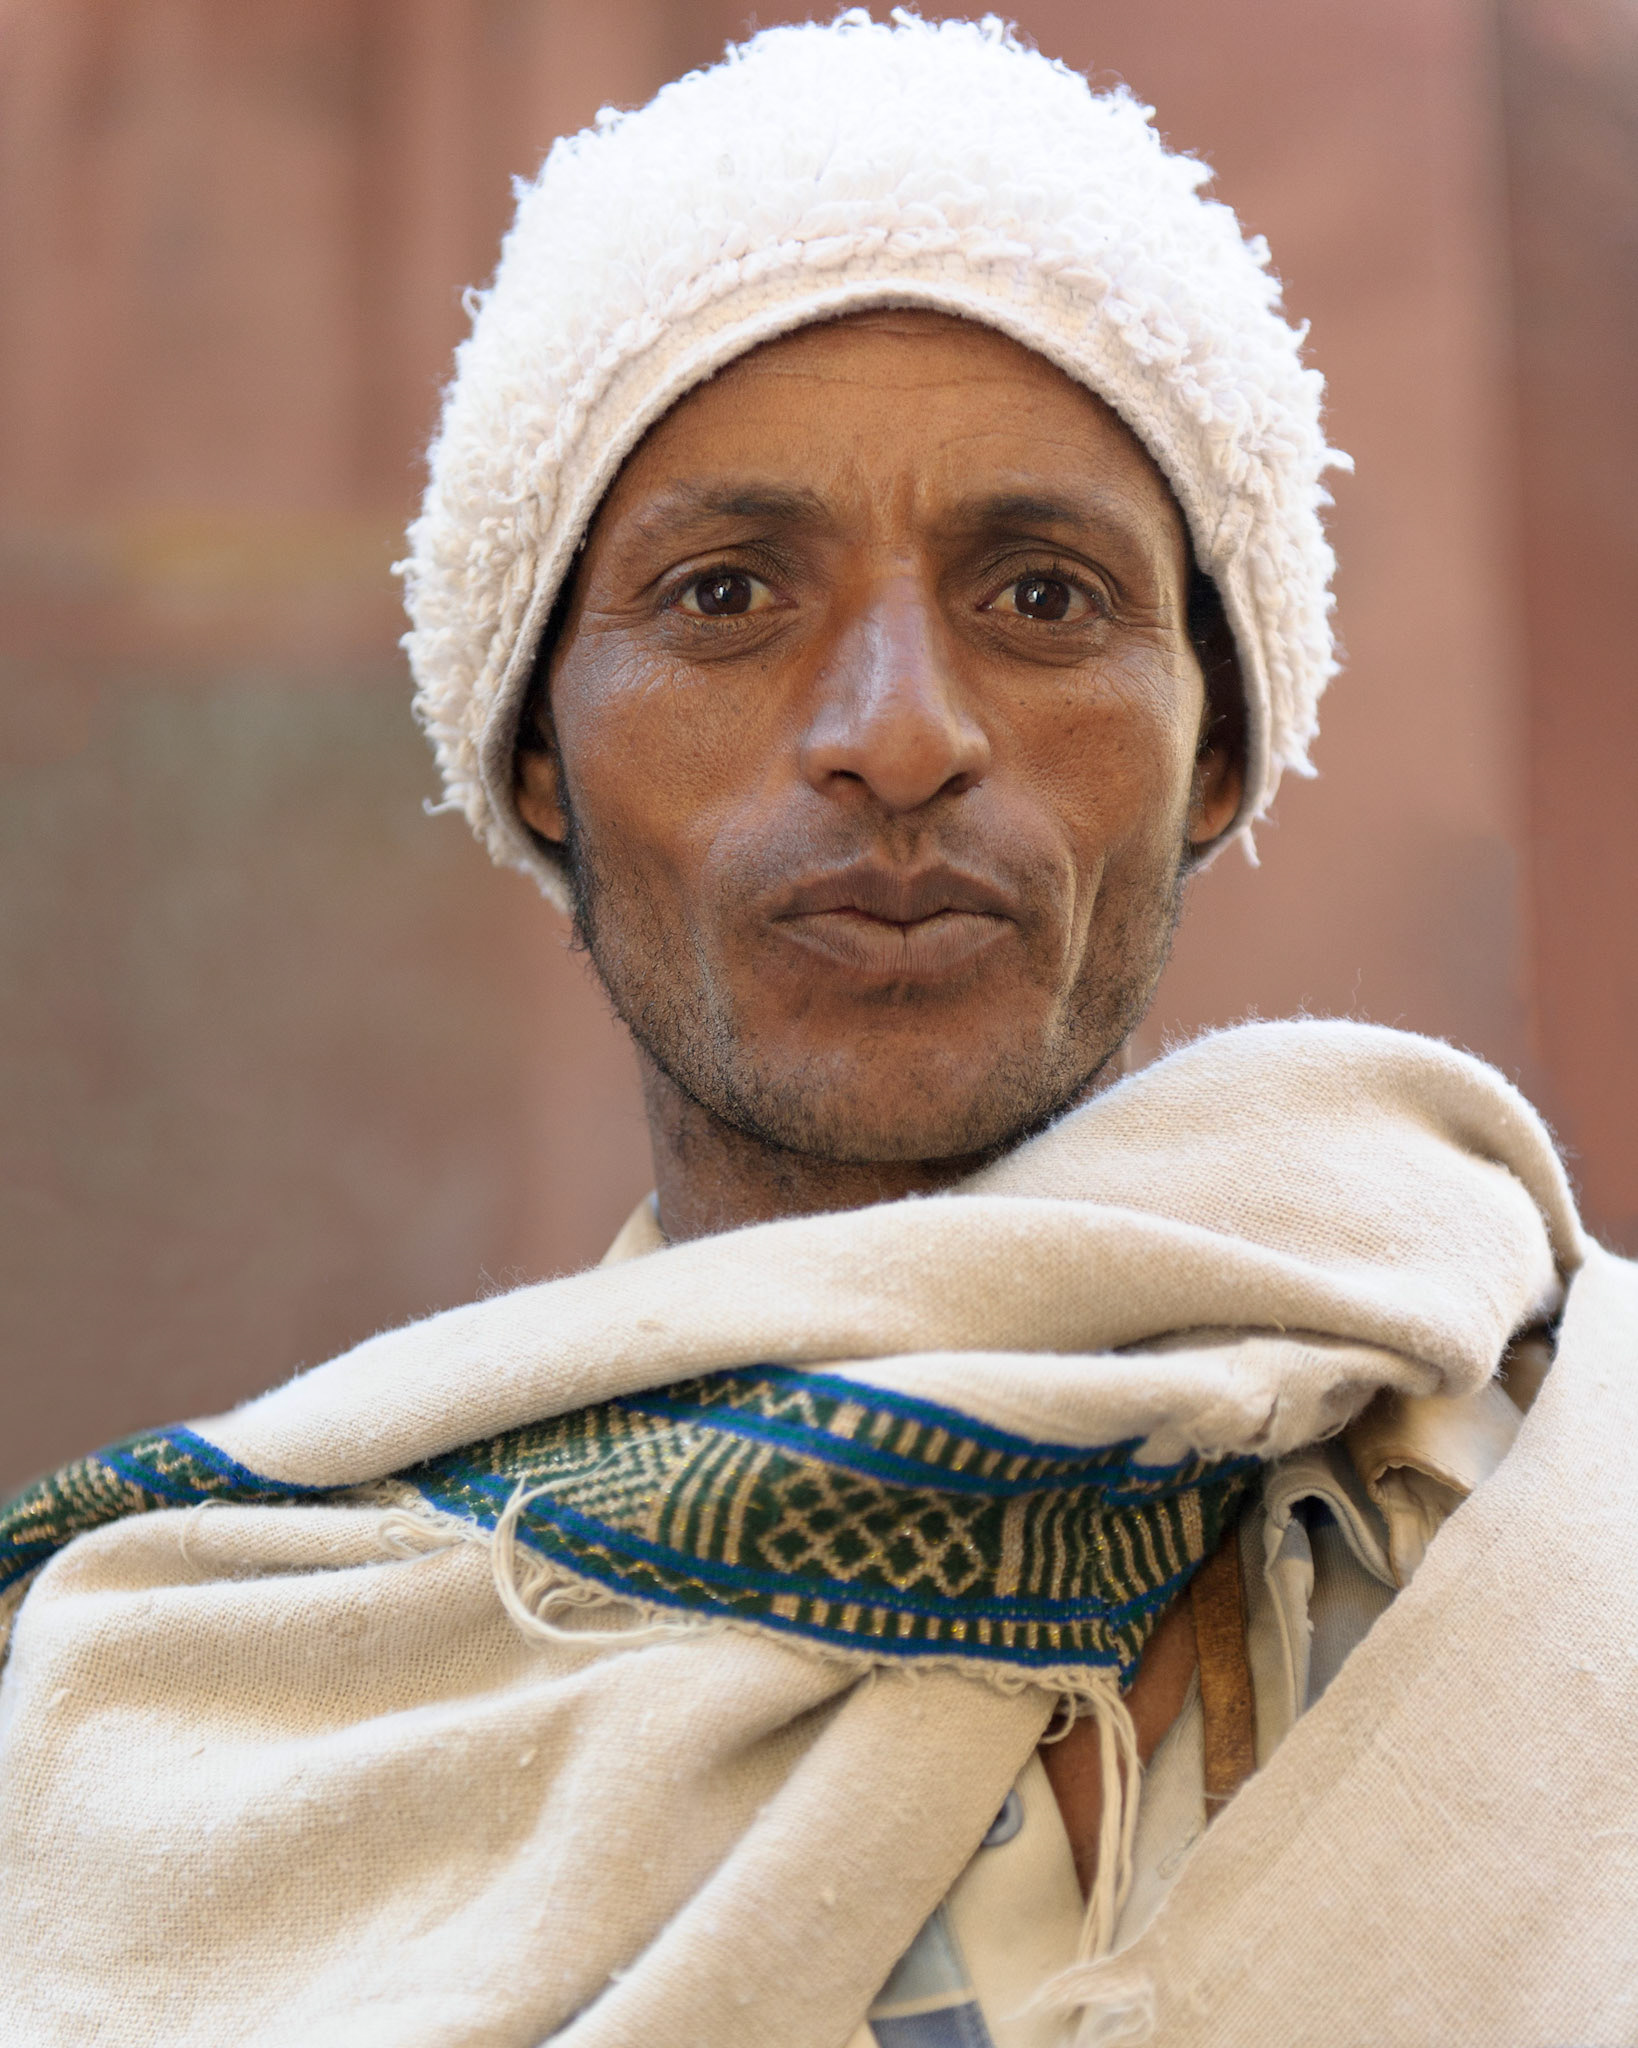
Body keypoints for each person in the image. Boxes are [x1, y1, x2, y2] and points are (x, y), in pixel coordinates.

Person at [3, 16, 1635, 2048]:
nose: (899, 731)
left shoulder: (1586, 1497)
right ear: (533, 757)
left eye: (1042, 597)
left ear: (1218, 747)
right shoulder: (207, 1748)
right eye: (724, 598)